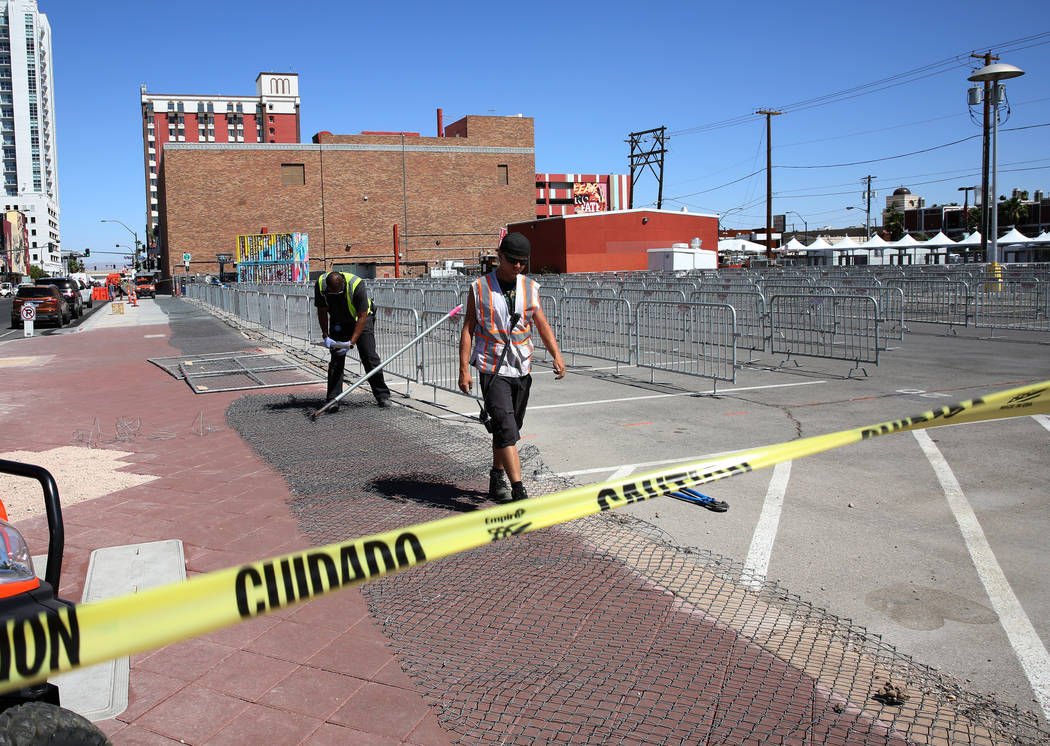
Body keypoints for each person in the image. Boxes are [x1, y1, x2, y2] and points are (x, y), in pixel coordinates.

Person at [459, 232, 566, 502]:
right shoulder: (479, 288)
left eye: (523, 262)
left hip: (520, 367)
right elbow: (469, 328)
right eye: (512, 261)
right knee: (506, 427)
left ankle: (496, 475)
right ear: (499, 256)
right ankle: (518, 490)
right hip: (492, 367)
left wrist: (556, 354)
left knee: (508, 427)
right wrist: (463, 369)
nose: (518, 266)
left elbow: (541, 324)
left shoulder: (530, 287)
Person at [315, 270, 391, 412]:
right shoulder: (320, 284)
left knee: (369, 357)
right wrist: (326, 335)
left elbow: (362, 316)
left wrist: (351, 342)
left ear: (343, 285)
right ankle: (333, 399)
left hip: (362, 319)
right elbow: (322, 311)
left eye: (337, 293)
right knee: (336, 360)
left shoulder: (357, 285)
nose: (333, 295)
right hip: (338, 322)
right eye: (331, 292)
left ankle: (383, 395)